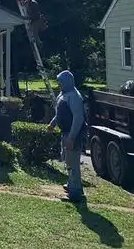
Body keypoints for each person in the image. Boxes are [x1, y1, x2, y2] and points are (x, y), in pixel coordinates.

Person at [48, 70, 86, 202]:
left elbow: (78, 117)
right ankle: (72, 184)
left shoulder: (74, 96)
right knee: (68, 160)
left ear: (68, 82)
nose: (59, 84)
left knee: (72, 162)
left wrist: (71, 137)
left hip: (72, 134)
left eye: (61, 82)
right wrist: (52, 124)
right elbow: (59, 113)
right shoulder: (63, 94)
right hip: (65, 132)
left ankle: (75, 193)